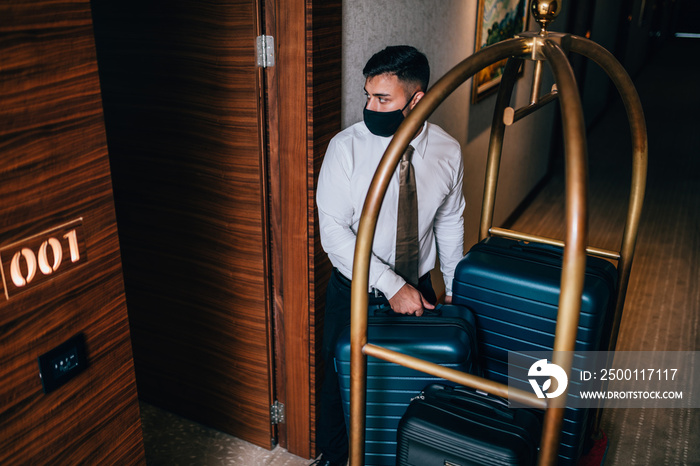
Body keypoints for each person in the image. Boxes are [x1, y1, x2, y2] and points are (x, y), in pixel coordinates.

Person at [313, 45, 465, 466]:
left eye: (382, 99)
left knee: (408, 380)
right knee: (340, 378)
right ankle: (334, 457)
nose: (369, 107)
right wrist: (390, 284)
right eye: (368, 96)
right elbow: (333, 235)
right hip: (355, 289)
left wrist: (453, 287)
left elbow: (450, 222)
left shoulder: (447, 152)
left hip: (419, 287)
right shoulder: (345, 149)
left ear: (416, 101)